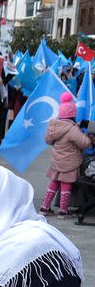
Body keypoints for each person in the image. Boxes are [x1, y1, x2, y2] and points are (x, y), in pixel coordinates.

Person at [41, 91, 94, 219]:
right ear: (72, 115)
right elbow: (84, 143)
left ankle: (45, 207)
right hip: (70, 163)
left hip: (56, 161)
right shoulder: (72, 129)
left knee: (53, 183)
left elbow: (48, 140)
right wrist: (87, 137)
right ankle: (63, 211)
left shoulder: (54, 126)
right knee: (66, 185)